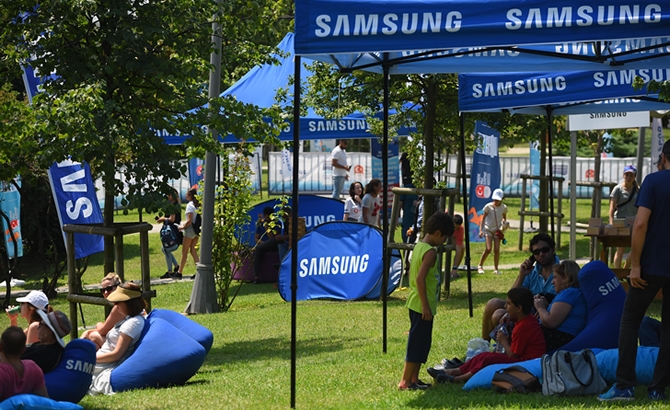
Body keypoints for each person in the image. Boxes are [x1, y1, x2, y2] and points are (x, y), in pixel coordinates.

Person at [599, 140, 670, 402]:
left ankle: (624, 385)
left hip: (651, 266)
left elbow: (640, 225)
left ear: (663, 157)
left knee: (630, 320)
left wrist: (636, 264)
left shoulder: (653, 181)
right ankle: (657, 389)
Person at [429, 287, 546, 383]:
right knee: (483, 355)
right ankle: (452, 372)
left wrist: (504, 341)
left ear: (519, 308)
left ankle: (458, 379)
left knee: (488, 359)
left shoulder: (524, 326)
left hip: (526, 363)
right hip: (523, 358)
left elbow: (513, 355)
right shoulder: (524, 320)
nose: (505, 307)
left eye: (509, 304)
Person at [398, 211, 454, 391]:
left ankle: (414, 379)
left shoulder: (419, 246)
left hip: (417, 303)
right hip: (422, 305)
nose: (444, 241)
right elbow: (420, 279)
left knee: (423, 343)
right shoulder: (430, 252)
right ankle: (405, 382)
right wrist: (425, 306)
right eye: (444, 237)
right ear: (438, 233)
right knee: (416, 344)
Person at [481, 233, 559, 341]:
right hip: (527, 307)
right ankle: (483, 345)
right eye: (536, 252)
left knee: (498, 315)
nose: (541, 254)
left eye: (545, 250)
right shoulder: (532, 271)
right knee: (493, 303)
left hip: (545, 310)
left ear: (553, 250)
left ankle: (511, 350)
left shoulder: (561, 270)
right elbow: (512, 297)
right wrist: (522, 275)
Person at [89, 282, 147, 396]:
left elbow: (116, 355)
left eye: (118, 302)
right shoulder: (129, 318)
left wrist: (89, 358)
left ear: (129, 303)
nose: (115, 305)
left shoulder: (132, 324)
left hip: (104, 365)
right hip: (101, 361)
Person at [533, 260, 587, 352]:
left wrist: (540, 307)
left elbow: (551, 322)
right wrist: (546, 306)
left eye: (555, 278)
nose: (552, 282)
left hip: (561, 338)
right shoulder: (573, 292)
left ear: (566, 278)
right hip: (562, 336)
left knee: (516, 328)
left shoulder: (569, 293)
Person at [0, 326, 49, 401]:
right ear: (24, 349)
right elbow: (46, 401)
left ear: (0, 347)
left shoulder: (2, 373)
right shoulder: (33, 368)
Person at [80, 273, 126, 350]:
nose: (105, 293)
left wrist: (98, 324)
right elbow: (109, 329)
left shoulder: (119, 307)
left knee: (93, 336)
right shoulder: (121, 303)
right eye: (103, 290)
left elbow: (102, 331)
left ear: (118, 287)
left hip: (123, 346)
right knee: (92, 341)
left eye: (109, 289)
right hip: (121, 341)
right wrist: (87, 331)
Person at [609, 165, 638, 268]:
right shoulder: (618, 188)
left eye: (631, 175)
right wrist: (611, 221)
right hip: (620, 220)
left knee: (635, 247)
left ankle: (626, 268)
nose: (629, 177)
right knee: (620, 248)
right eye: (627, 175)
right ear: (623, 175)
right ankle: (617, 273)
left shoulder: (637, 189)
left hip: (633, 221)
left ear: (635, 176)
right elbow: (612, 206)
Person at [477, 188, 508, 275]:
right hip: (488, 229)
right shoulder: (488, 206)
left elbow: (504, 217)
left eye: (498, 200)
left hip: (497, 230)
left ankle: (496, 269)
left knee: (497, 249)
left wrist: (504, 223)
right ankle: (480, 265)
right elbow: (482, 219)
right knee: (488, 248)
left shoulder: (504, 208)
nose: (496, 201)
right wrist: (481, 230)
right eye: (495, 199)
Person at [158, 190, 182, 279]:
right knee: (164, 249)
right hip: (174, 230)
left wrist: (163, 219)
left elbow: (172, 219)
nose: (167, 196)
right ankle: (176, 266)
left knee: (166, 249)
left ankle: (170, 271)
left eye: (168, 194)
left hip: (173, 231)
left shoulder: (173, 206)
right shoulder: (176, 205)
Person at [177, 188, 200, 279]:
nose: (186, 196)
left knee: (184, 251)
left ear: (190, 196)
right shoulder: (198, 204)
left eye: (187, 194)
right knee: (193, 250)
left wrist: (182, 227)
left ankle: (179, 272)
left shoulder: (190, 205)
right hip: (197, 230)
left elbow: (189, 220)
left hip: (190, 230)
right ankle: (199, 271)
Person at [253, 207, 280, 284]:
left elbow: (272, 237)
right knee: (258, 250)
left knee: (272, 241)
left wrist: (267, 227)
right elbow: (256, 238)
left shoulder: (277, 223)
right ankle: (256, 277)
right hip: (262, 245)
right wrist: (262, 244)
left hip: (273, 244)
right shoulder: (260, 224)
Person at [449, 214, 465, 279]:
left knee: (462, 248)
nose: (455, 229)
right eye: (454, 227)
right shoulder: (447, 223)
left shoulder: (461, 230)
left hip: (453, 240)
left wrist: (454, 267)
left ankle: (454, 269)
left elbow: (458, 250)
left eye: (457, 227)